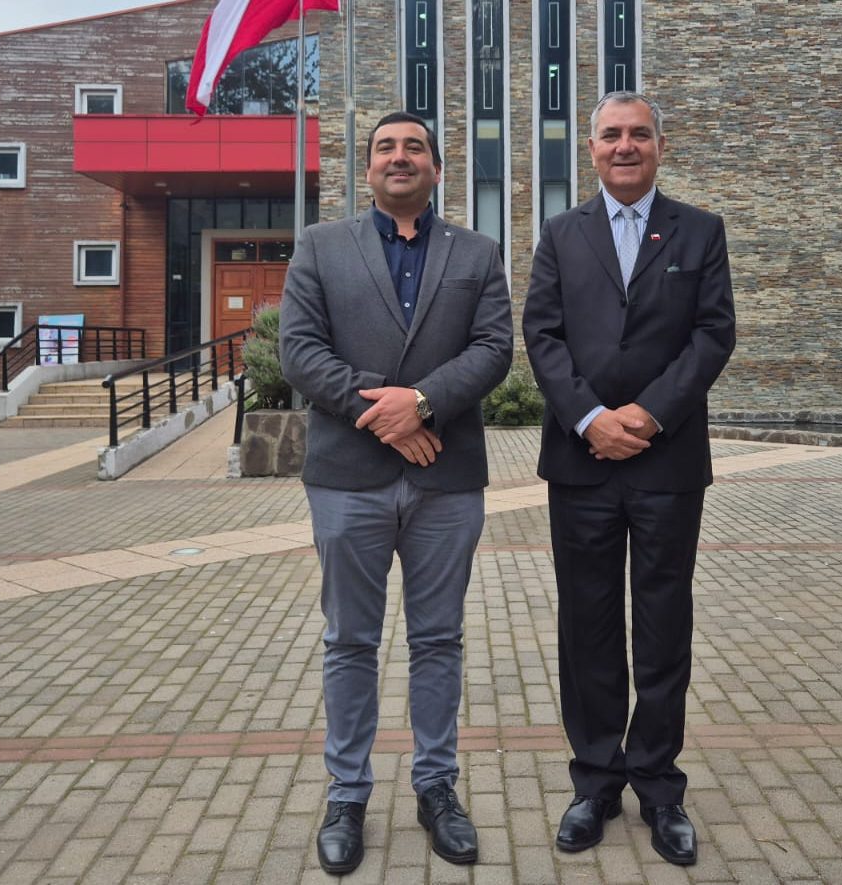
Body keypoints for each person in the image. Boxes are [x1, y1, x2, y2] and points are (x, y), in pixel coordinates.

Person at [279, 110, 513, 876]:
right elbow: (299, 350)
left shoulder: (477, 252)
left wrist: (423, 403)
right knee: (350, 640)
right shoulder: (320, 246)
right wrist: (386, 412)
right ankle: (347, 794)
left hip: (448, 477)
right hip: (348, 478)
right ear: (369, 168)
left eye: (415, 147)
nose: (400, 156)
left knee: (438, 640)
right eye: (386, 147)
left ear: (437, 169)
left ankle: (436, 787)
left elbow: (494, 349)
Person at [522, 91, 736, 867]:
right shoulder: (560, 233)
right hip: (581, 463)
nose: (624, 145)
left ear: (660, 146)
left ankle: (658, 783)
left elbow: (714, 333)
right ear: (591, 149)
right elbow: (542, 333)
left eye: (638, 134)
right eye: (610, 134)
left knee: (662, 622)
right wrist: (590, 419)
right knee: (587, 624)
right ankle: (595, 780)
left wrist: (647, 414)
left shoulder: (700, 230)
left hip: (666, 461)